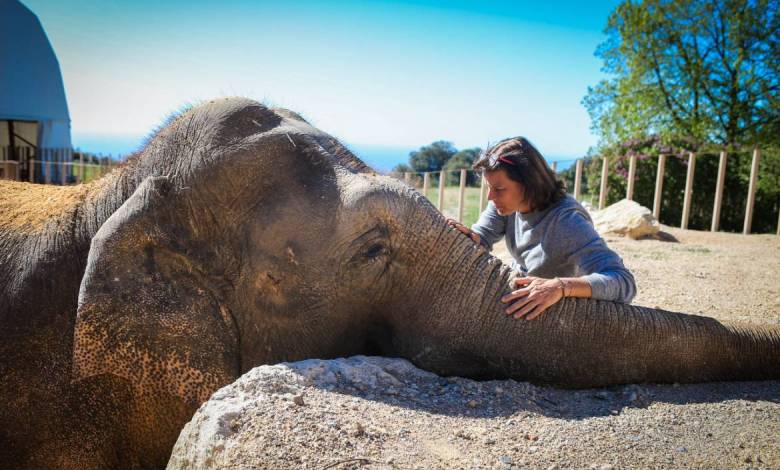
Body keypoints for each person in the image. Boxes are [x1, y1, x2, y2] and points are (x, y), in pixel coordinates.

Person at [448, 136, 636, 321]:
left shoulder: (567, 222)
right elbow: (482, 237)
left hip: (559, 313)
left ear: (529, 184)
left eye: (499, 188)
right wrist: (466, 237)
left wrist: (560, 287)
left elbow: (623, 282)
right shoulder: (505, 204)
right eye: (489, 187)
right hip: (524, 296)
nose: (490, 197)